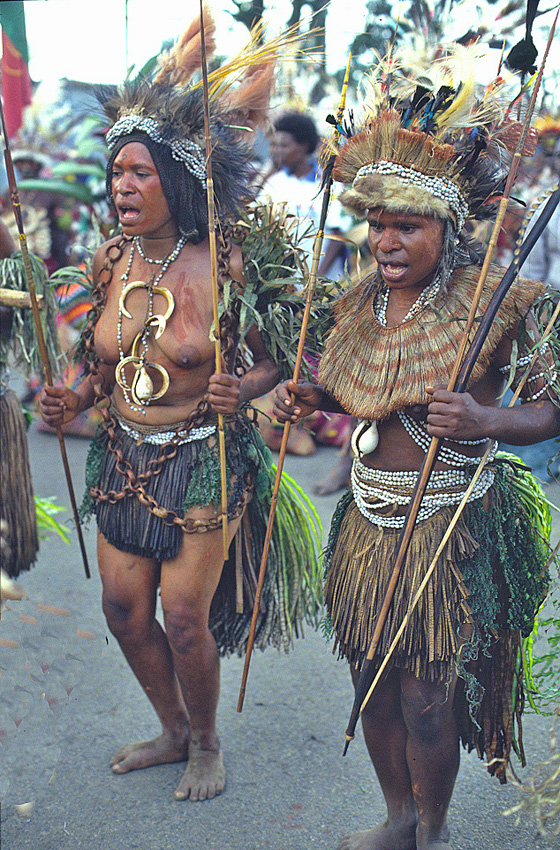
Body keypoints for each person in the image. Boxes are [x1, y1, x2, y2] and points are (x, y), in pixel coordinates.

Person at [274, 43, 560, 850]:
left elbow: (551, 409)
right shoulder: (358, 300)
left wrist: (484, 421)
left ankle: (430, 826)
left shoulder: (499, 306)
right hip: (369, 521)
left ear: (447, 227)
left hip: (449, 521)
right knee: (370, 680)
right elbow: (361, 388)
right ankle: (397, 815)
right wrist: (315, 396)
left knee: (429, 693)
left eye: (407, 226)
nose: (385, 241)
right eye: (375, 224)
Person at [39, 19, 321, 803]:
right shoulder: (108, 257)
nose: (122, 186)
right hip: (123, 456)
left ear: (177, 177)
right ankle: (169, 729)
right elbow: (103, 365)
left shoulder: (229, 260)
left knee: (184, 616)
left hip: (203, 455)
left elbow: (281, 354)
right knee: (125, 611)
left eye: (138, 173)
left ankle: (205, 743)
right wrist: (75, 393)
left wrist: (251, 385)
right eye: (115, 172)